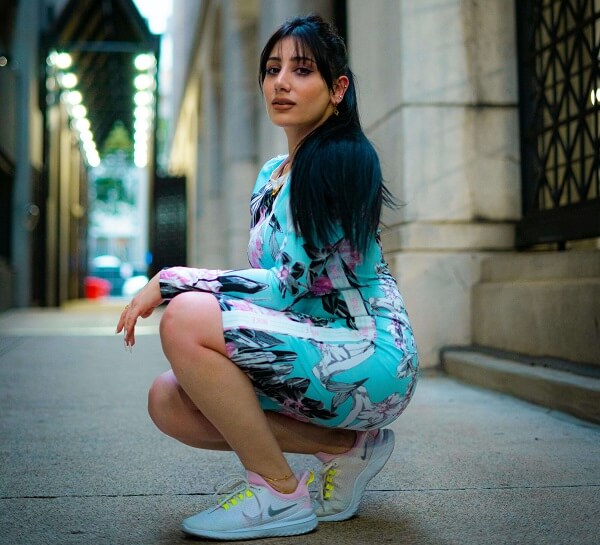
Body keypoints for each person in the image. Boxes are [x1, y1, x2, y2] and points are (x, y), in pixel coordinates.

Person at [116, 14, 418, 541]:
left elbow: (290, 286)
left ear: (337, 89)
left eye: (302, 71)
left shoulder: (341, 161)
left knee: (185, 318)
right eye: (273, 69)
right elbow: (271, 289)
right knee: (170, 401)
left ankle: (278, 493)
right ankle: (348, 449)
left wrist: (172, 281)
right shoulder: (271, 175)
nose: (281, 82)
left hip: (369, 351)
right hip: (310, 339)